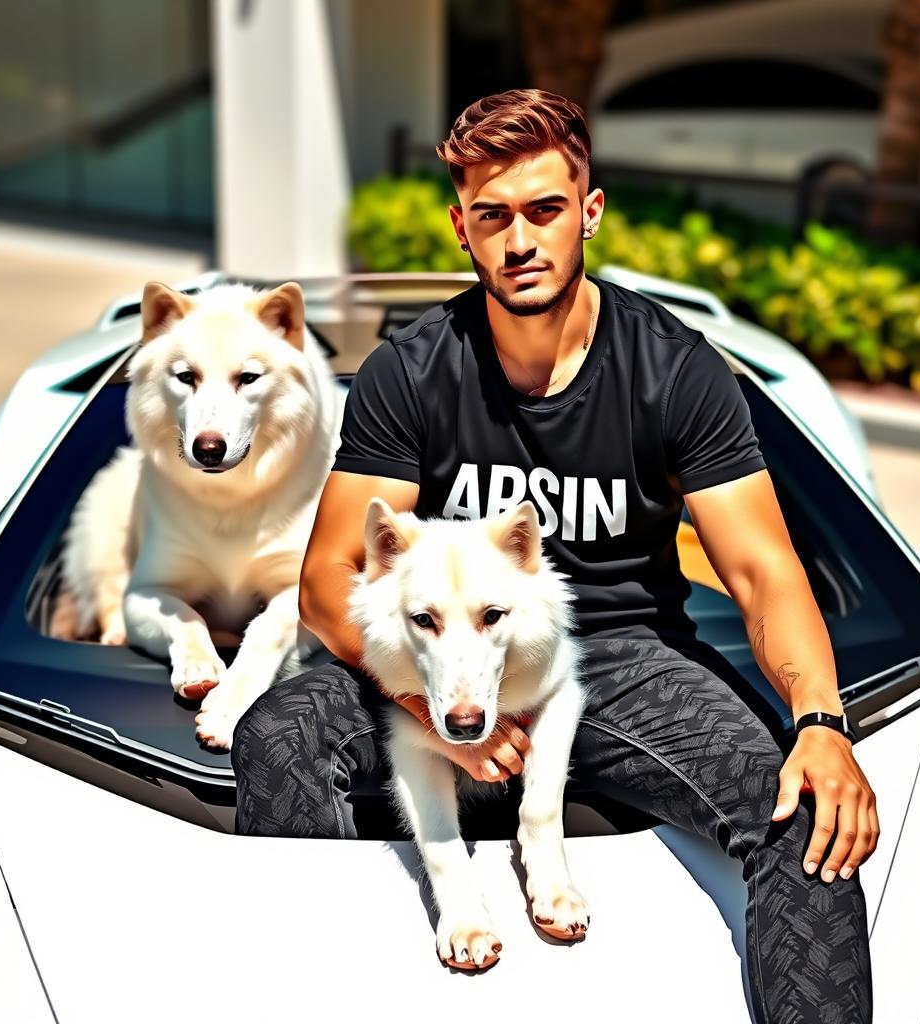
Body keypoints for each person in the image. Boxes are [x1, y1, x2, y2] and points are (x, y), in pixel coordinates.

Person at [231, 88, 877, 1023]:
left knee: (805, 814)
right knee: (277, 736)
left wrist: (820, 720)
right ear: (461, 228)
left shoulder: (675, 370)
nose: (520, 240)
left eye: (543, 210)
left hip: (620, 660)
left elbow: (762, 571)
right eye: (492, 216)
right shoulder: (411, 373)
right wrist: (434, 703)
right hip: (434, 649)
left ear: (590, 211)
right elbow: (331, 580)